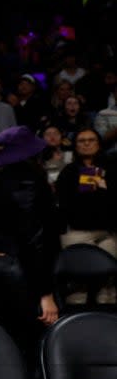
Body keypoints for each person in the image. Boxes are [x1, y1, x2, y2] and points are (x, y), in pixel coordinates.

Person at [0, 125, 60, 360]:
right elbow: (33, 240)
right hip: (21, 273)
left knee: (6, 341)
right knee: (31, 345)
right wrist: (45, 294)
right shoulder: (27, 179)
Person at [55, 128, 117, 303]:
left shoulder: (112, 169)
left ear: (99, 144)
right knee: (79, 288)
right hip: (77, 231)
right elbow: (65, 203)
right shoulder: (68, 172)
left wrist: (104, 188)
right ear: (76, 146)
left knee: (107, 286)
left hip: (108, 232)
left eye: (91, 140)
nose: (87, 143)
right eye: (82, 141)